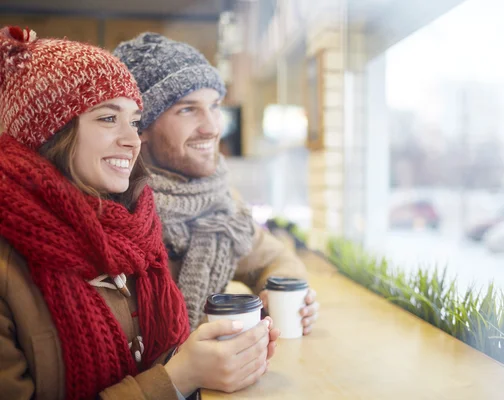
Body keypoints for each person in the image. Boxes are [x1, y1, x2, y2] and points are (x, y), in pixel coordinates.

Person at [0, 26, 275, 400]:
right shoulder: (11, 263)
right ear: (49, 131)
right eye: (108, 118)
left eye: (133, 121)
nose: (132, 139)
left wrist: (215, 359)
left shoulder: (130, 233)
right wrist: (177, 378)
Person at [114, 33, 320, 331]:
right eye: (187, 109)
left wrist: (286, 299)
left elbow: (275, 259)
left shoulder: (220, 203)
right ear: (139, 125)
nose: (212, 128)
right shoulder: (111, 207)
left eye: (214, 106)